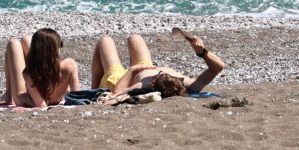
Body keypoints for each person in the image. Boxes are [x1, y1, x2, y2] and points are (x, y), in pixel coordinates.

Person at [91, 28, 225, 100]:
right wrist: (202, 52)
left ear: (154, 82)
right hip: (146, 67)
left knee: (105, 41)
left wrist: (133, 70)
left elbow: (116, 93)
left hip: (122, 79)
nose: (162, 72)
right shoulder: (189, 84)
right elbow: (218, 67)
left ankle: (93, 89)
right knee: (135, 38)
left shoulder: (142, 85)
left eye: (160, 74)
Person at [0, 28, 80, 107]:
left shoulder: (28, 73)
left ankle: (8, 94)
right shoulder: (70, 64)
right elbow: (77, 96)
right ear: (55, 49)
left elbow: (41, 105)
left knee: (13, 43)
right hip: (50, 92)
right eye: (60, 44)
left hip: (33, 94)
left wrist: (26, 98)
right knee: (26, 39)